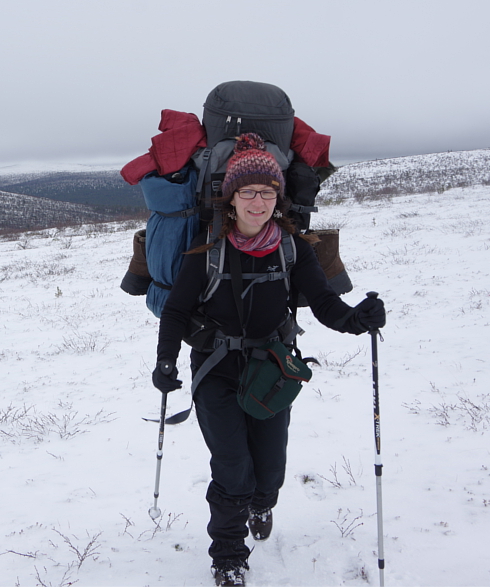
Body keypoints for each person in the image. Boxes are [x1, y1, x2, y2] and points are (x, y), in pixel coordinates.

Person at [152, 134, 386, 587]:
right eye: (247, 192)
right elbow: (177, 311)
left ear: (278, 198)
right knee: (233, 470)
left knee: (269, 471)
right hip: (216, 371)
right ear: (230, 198)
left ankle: (263, 502)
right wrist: (166, 363)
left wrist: (357, 319)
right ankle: (228, 559)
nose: (257, 202)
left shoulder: (292, 248)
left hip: (273, 371)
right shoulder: (207, 250)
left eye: (267, 192)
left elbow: (322, 302)